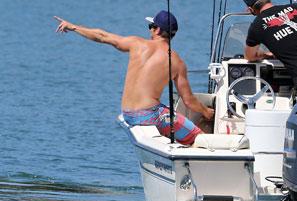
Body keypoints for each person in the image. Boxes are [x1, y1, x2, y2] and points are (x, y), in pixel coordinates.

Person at [54, 10, 214, 145]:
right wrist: (207, 112)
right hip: (151, 115)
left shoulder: (136, 44)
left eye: (151, 26)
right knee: (200, 137)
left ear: (157, 30)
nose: (150, 30)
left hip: (128, 113)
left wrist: (73, 27)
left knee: (167, 113)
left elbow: (102, 36)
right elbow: (189, 101)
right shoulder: (177, 62)